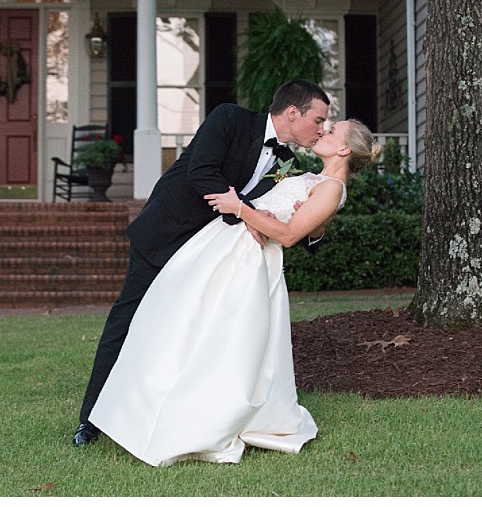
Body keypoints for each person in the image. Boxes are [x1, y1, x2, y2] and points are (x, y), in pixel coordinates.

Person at [88, 119, 382, 465]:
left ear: (345, 149)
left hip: (247, 263)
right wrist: (259, 212)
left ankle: (201, 418)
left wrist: (239, 208)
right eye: (322, 123)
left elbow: (288, 236)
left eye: (331, 131)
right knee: (181, 327)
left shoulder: (331, 187)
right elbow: (287, 217)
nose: (323, 131)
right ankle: (138, 406)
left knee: (219, 341)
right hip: (226, 248)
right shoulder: (308, 175)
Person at [72, 79, 331, 446]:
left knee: (187, 335)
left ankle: (168, 417)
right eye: (318, 119)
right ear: (293, 112)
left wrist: (316, 224)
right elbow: (202, 173)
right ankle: (91, 420)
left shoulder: (287, 164)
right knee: (127, 322)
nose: (321, 129)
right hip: (167, 235)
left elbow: (292, 225)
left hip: (212, 257)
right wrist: (248, 212)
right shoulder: (229, 119)